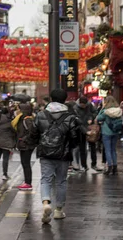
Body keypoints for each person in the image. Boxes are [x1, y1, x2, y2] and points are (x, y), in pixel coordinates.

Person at [32, 88, 79, 224]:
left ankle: (46, 202)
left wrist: (38, 144)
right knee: (61, 181)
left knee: (45, 179)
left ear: (51, 98)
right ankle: (58, 210)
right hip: (63, 154)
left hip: (46, 152)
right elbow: (75, 138)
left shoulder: (41, 114)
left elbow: (34, 133)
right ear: (65, 99)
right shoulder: (70, 117)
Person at [73, 96, 102, 172]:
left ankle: (94, 164)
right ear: (79, 103)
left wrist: (91, 117)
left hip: (90, 127)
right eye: (82, 105)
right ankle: (84, 166)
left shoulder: (89, 105)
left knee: (93, 147)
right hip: (81, 130)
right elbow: (78, 122)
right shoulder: (75, 108)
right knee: (82, 148)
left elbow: (95, 112)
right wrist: (85, 131)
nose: (84, 107)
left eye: (85, 105)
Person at [96, 95, 123, 176]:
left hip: (106, 132)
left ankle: (109, 167)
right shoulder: (119, 110)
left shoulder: (105, 111)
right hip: (115, 132)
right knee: (113, 150)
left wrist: (101, 109)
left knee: (108, 150)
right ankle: (115, 167)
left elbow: (98, 118)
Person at [12, 102, 37, 190]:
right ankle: (27, 182)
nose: (17, 111)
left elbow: (32, 132)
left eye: (18, 109)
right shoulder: (21, 118)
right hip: (24, 144)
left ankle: (28, 183)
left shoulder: (27, 119)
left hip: (26, 145)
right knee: (24, 163)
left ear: (23, 110)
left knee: (26, 163)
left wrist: (24, 139)